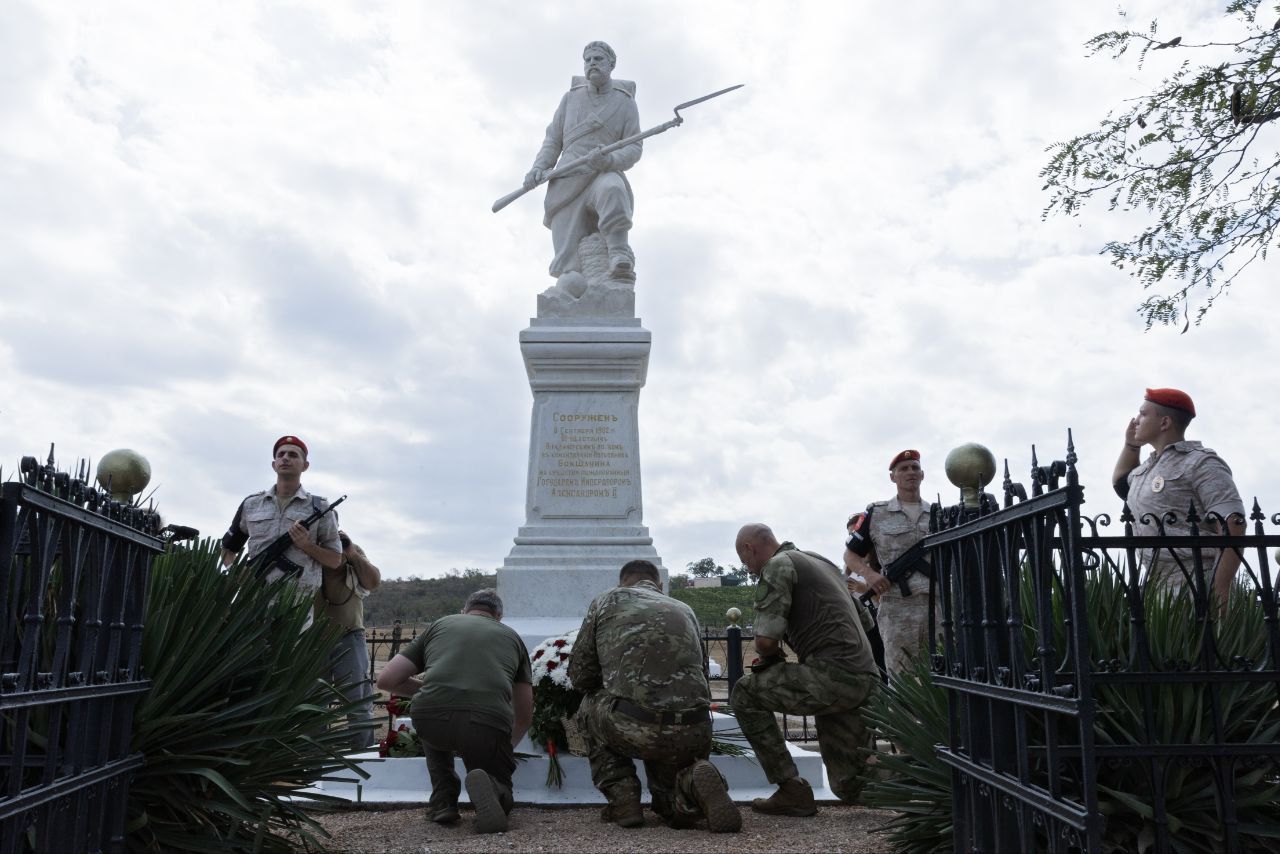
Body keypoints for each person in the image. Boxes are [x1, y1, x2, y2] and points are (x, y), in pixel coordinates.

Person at [568, 560, 740, 833]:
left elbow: (580, 675)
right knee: (668, 805)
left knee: (588, 706)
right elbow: (703, 675)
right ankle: (691, 784)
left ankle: (624, 801)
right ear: (659, 585)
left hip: (634, 725)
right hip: (693, 728)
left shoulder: (607, 601)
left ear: (622, 583)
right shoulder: (685, 609)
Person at [731, 524, 880, 814]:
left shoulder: (777, 566)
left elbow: (764, 641)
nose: (748, 568)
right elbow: (866, 623)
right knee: (852, 784)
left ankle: (791, 790)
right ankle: (931, 783)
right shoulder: (820, 561)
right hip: (865, 676)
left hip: (831, 676)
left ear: (750, 548)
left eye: (745, 561)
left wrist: (773, 659)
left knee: (745, 693)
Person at [376, 589, 533, 834]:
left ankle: (443, 802)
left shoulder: (440, 625)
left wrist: (428, 690)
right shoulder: (512, 637)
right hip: (487, 721)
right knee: (490, 757)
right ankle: (494, 790)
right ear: (499, 616)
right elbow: (524, 714)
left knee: (433, 718)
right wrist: (505, 748)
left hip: (432, 718)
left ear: (463, 611)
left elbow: (386, 680)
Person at [1112, 388, 1246, 603]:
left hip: (1196, 583)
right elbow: (1121, 484)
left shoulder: (1201, 462)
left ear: (1164, 423)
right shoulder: (1147, 469)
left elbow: (1233, 524)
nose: (1136, 420)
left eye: (1143, 414)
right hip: (1155, 586)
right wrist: (1131, 445)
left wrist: (1219, 590)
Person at [523, 40, 642, 280]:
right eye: (587, 60)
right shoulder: (570, 99)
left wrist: (609, 160)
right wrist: (539, 167)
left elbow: (634, 148)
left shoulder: (626, 103)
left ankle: (618, 253)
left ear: (611, 64)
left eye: (597, 59)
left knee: (613, 189)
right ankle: (574, 285)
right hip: (568, 178)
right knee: (568, 271)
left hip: (601, 171)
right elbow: (553, 140)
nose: (592, 64)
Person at [220, 436, 343, 623]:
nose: (285, 458)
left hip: (296, 607)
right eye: (281, 454)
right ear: (273, 464)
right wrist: (238, 574)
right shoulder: (251, 504)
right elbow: (228, 548)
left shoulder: (319, 508)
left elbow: (335, 560)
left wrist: (306, 545)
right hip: (253, 601)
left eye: (293, 455)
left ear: (305, 465)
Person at [844, 450, 939, 676]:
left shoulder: (938, 514)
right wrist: (870, 575)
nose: (910, 472)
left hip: (937, 605)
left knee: (940, 675)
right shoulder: (876, 513)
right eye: (903, 469)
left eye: (915, 467)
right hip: (897, 607)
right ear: (893, 477)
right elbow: (850, 555)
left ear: (923, 474)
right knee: (901, 678)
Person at [316, 530, 381, 751]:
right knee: (314, 705)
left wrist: (351, 552)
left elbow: (372, 581)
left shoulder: (348, 550)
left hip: (349, 633)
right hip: (311, 639)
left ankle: (362, 757)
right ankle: (313, 762)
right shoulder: (303, 549)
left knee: (358, 703)